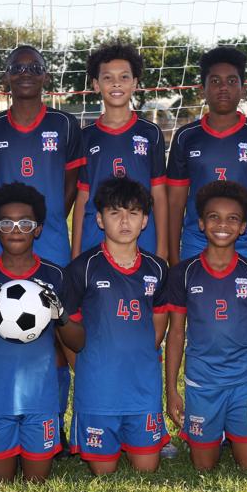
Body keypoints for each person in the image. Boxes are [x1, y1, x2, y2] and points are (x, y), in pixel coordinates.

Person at [0, 44, 84, 452]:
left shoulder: (66, 125)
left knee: (54, 333)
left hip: (49, 239)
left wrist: (45, 221)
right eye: (17, 68)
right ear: (5, 77)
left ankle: (54, 420)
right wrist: (13, 224)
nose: (25, 74)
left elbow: (71, 184)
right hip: (5, 238)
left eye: (34, 67)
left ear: (45, 77)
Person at [0, 183, 84, 483]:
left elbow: (78, 342)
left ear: (37, 230)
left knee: (35, 485)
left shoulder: (56, 276)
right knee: (1, 486)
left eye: (25, 224)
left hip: (40, 399)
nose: (16, 230)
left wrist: (61, 315)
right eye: (6, 224)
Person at [165, 181, 247, 471]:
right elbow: (175, 333)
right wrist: (172, 390)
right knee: (203, 467)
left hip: (244, 382)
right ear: (201, 223)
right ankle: (214, 431)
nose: (222, 225)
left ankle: (238, 429)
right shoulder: (184, 273)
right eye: (214, 217)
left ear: (243, 227)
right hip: (202, 382)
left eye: (232, 218)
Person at [66, 177, 170, 474]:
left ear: (145, 220)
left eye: (133, 213)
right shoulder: (83, 267)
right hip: (99, 388)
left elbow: (158, 326)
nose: (125, 221)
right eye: (115, 213)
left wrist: (137, 358)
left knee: (147, 468)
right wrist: (84, 366)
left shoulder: (157, 268)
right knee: (104, 471)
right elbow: (67, 327)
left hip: (142, 386)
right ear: (100, 219)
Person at [166, 46, 247, 281]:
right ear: (202, 89)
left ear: (243, 89)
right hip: (198, 240)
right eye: (215, 81)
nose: (223, 87)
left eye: (231, 81)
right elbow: (175, 202)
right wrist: (173, 256)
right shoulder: (186, 137)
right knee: (199, 303)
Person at [72, 42, 168, 261]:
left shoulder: (150, 133)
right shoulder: (86, 137)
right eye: (107, 77)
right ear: (96, 84)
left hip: (142, 237)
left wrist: (162, 250)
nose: (116, 83)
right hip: (95, 237)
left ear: (134, 83)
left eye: (124, 77)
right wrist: (76, 251)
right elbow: (83, 196)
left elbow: (159, 194)